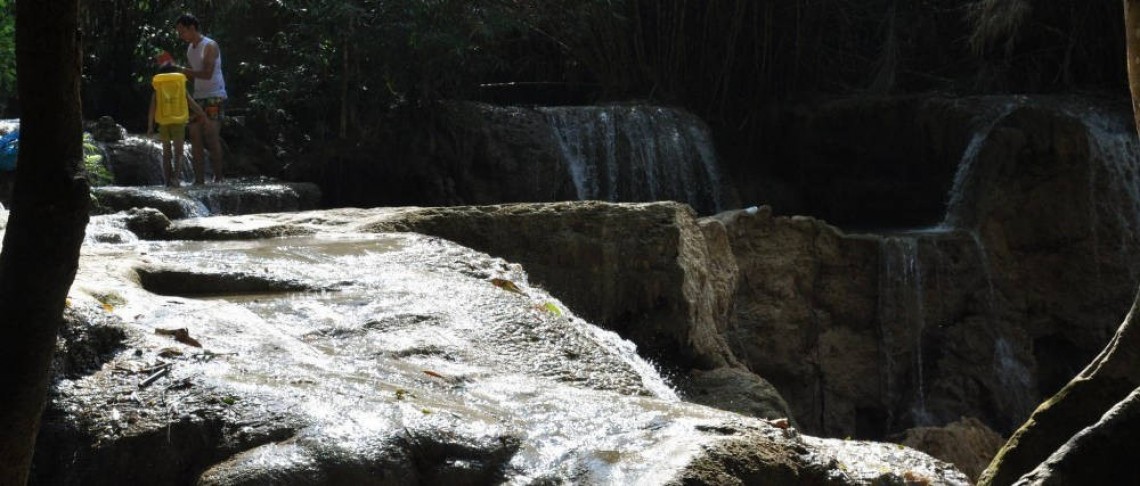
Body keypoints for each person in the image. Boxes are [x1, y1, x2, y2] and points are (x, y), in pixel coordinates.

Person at [174, 13, 227, 184]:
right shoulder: (191, 49)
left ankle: (218, 179)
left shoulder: (209, 46)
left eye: (182, 32)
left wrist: (182, 70)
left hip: (214, 96)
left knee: (211, 136)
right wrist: (177, 74)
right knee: (195, 137)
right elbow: (193, 76)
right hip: (198, 98)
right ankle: (198, 181)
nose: (180, 36)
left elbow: (207, 73)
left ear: (192, 28)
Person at [147, 65, 206, 188]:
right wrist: (202, 114)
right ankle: (176, 178)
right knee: (179, 152)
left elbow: (152, 110)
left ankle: (167, 181)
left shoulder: (158, 90)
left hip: (163, 123)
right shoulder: (180, 89)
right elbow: (192, 104)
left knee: (166, 153)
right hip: (179, 123)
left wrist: (150, 127)